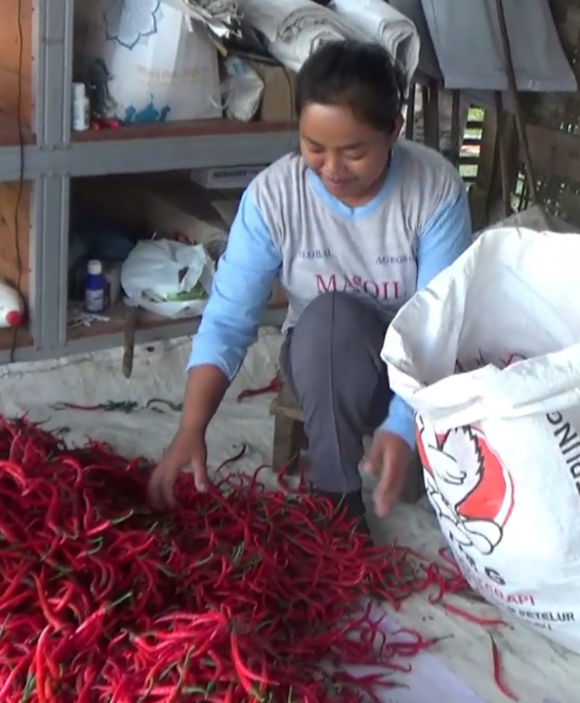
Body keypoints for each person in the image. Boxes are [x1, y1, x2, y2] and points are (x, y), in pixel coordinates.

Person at [148, 40, 473, 531]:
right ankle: (337, 501)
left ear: (394, 131)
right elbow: (229, 319)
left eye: (354, 152)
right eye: (314, 147)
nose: (332, 170)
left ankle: (379, 453)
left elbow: (438, 327)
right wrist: (191, 427)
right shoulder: (276, 196)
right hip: (320, 363)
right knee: (330, 320)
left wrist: (405, 423)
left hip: (413, 374)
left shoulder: (434, 190)